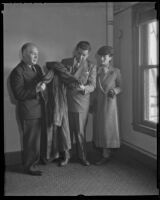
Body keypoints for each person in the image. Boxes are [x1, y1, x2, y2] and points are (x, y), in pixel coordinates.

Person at [10, 43, 46, 176]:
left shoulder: (36, 67)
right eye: (32, 53)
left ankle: (35, 161)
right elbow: (18, 94)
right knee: (31, 141)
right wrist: (36, 89)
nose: (36, 55)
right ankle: (30, 167)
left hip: (39, 109)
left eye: (37, 52)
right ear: (23, 54)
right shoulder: (17, 71)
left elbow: (41, 81)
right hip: (28, 111)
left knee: (36, 139)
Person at [61, 41, 97, 166]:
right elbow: (60, 79)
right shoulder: (65, 62)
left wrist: (84, 88)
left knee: (80, 132)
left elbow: (93, 86)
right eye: (80, 53)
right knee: (66, 131)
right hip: (66, 101)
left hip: (81, 103)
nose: (82, 57)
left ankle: (82, 157)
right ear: (76, 51)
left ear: (88, 54)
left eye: (85, 55)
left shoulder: (91, 65)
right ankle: (66, 156)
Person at [39, 62, 80, 167]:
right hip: (51, 106)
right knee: (52, 131)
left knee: (64, 131)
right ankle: (53, 155)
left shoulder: (63, 74)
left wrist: (75, 81)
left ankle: (66, 155)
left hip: (61, 105)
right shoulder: (51, 74)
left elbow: (72, 83)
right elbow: (44, 82)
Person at [92, 45, 122, 165]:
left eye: (105, 57)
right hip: (99, 102)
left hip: (110, 103)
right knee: (100, 127)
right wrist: (92, 103)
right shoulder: (96, 70)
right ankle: (105, 151)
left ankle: (106, 154)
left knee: (107, 127)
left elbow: (120, 86)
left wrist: (114, 91)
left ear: (110, 58)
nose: (102, 59)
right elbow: (94, 89)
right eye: (100, 57)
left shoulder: (116, 71)